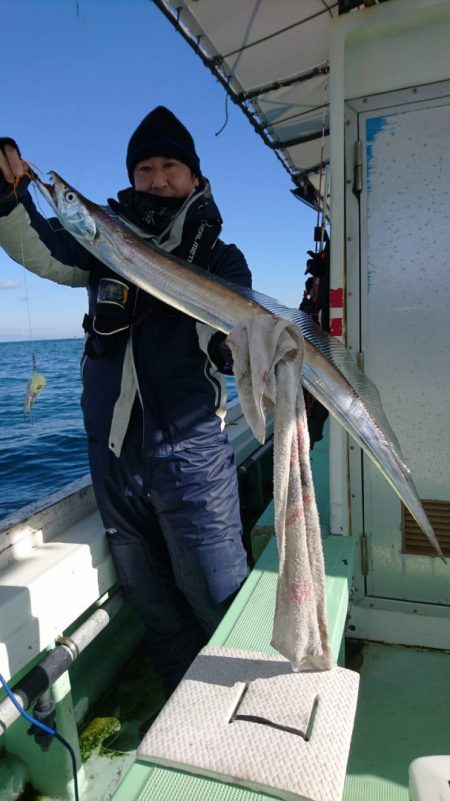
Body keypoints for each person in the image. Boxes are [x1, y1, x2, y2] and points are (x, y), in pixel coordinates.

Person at [0, 106, 251, 699]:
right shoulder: (100, 244)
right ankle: (177, 710)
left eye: (170, 166)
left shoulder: (220, 258)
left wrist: (240, 347)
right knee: (157, 610)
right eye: (145, 168)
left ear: (194, 175)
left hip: (190, 459)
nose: (158, 178)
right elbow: (45, 250)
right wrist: (10, 201)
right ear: (131, 177)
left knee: (219, 600)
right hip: (113, 458)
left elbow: (232, 336)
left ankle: (238, 717)